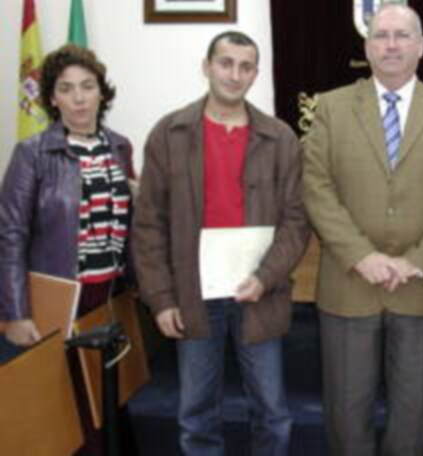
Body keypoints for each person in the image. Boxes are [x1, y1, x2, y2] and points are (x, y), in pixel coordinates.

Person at [302, 1, 423, 456]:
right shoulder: (331, 108)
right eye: (382, 35)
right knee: (346, 414)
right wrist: (362, 255)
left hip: (422, 286)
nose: (392, 44)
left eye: (403, 35)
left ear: (421, 46)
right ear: (367, 46)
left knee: (416, 417)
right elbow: (316, 187)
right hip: (349, 283)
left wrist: (418, 261)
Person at [132, 31, 310, 456]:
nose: (235, 74)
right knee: (196, 415)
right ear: (207, 66)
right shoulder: (169, 133)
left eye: (245, 66)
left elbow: (297, 221)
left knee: (272, 412)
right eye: (226, 63)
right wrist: (161, 299)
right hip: (192, 295)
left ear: (256, 74)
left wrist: (265, 277)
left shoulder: (281, 138)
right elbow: (149, 225)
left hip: (259, 294)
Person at [0, 44, 136, 454]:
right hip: (58, 299)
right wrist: (15, 313)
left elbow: (128, 222)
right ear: (52, 98)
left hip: (110, 296)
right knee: (65, 414)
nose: (78, 97)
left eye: (87, 86)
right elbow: (10, 234)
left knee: (110, 404)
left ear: (102, 92)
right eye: (66, 88)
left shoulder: (120, 147)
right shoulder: (32, 153)